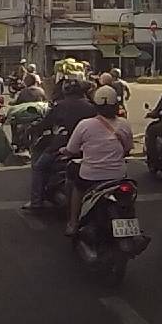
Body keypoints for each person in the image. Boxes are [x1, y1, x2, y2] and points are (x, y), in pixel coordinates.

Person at [59, 85, 133, 235]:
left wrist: (63, 151)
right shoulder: (124, 124)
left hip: (90, 177)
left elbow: (72, 149)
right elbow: (128, 148)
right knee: (128, 198)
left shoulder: (85, 125)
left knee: (77, 187)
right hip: (118, 176)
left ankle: (73, 223)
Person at [22, 76, 97, 210]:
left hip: (62, 147)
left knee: (39, 167)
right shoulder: (91, 107)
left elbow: (46, 123)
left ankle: (36, 202)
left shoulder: (60, 106)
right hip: (86, 148)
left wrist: (33, 128)